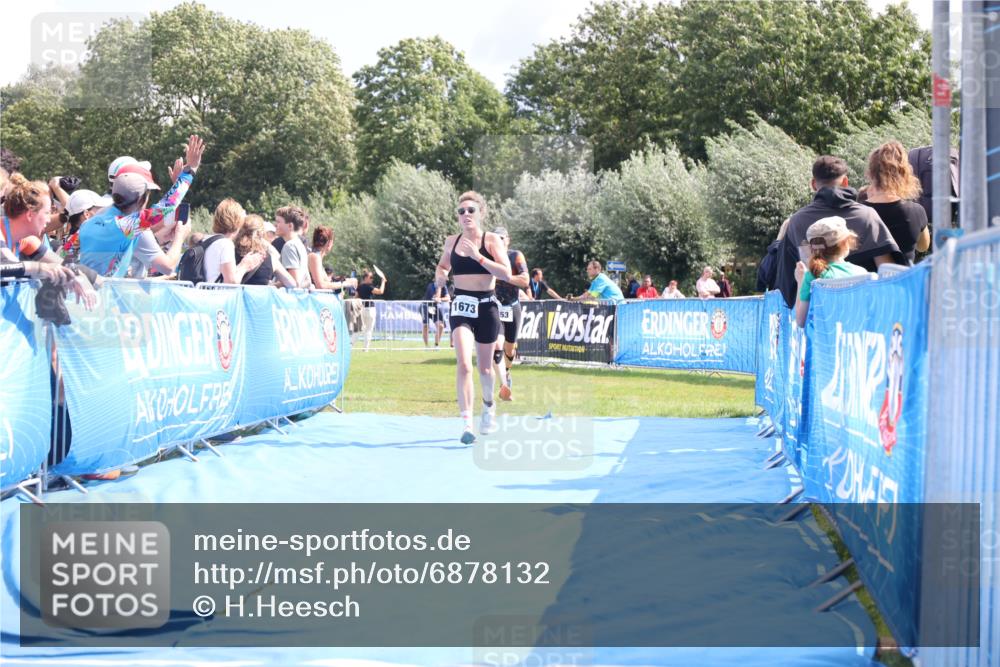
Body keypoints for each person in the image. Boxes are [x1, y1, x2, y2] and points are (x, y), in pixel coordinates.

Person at [434, 191, 512, 443]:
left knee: (486, 368)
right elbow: (443, 265)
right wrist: (440, 276)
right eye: (461, 211)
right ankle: (467, 423)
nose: (466, 215)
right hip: (461, 305)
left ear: (481, 214)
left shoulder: (491, 241)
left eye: (471, 211)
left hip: (486, 306)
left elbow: (506, 273)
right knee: (464, 363)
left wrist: (478, 256)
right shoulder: (451, 241)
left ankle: (489, 406)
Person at [774, 155, 902, 308]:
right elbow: (888, 274)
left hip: (819, 317)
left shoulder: (796, 221)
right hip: (863, 315)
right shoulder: (868, 216)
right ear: (846, 182)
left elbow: (786, 282)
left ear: (814, 184)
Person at [79, 136, 203, 277]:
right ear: (141, 199)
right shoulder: (129, 226)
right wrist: (191, 169)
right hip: (103, 297)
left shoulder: (90, 222)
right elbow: (167, 206)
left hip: (79, 294)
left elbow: (65, 253)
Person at [0, 174, 94, 291]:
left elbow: (63, 263)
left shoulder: (27, 239)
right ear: (30, 214)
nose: (49, 218)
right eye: (46, 213)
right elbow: (6, 264)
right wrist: (42, 268)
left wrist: (87, 279)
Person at [862, 141, 930, 264]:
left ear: (871, 173)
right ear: (905, 174)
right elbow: (923, 247)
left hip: (867, 282)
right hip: (903, 281)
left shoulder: (859, 211)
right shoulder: (916, 211)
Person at [794, 216, 870, 326]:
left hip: (824, 341)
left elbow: (801, 321)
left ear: (812, 248)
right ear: (845, 242)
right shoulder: (862, 273)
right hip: (854, 339)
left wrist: (800, 281)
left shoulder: (813, 275)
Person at [491, 227, 530, 402]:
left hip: (513, 305)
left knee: (510, 347)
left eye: (502, 238)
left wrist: (505, 276)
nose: (499, 241)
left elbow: (525, 280)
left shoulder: (516, 256)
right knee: (497, 344)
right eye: (495, 238)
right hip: (494, 305)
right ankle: (503, 384)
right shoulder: (489, 257)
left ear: (508, 239)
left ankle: (506, 372)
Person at [202, 198, 264, 284]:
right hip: (216, 295)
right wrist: (245, 265)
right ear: (238, 221)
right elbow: (231, 282)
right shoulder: (226, 244)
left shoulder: (207, 239)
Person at [233, 215, 297, 287]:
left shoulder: (231, 253)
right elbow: (292, 284)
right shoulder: (270, 259)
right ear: (262, 234)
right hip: (259, 298)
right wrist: (272, 285)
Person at [307, 226, 358, 292]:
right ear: (329, 243)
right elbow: (320, 285)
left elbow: (328, 282)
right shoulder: (314, 257)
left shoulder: (316, 257)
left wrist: (346, 280)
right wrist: (346, 284)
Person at [275, 205, 311, 287]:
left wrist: (271, 285)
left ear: (290, 226)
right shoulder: (299, 244)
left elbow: (294, 282)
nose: (275, 224)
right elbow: (306, 281)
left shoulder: (289, 246)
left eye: (278, 222)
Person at [356, 267, 387, 351]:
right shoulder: (368, 287)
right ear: (366, 278)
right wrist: (383, 281)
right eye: (371, 277)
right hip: (369, 310)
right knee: (368, 330)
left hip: (362, 309)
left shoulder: (359, 287)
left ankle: (350, 345)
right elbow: (381, 291)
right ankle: (365, 349)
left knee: (359, 329)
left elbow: (356, 297)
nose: (372, 279)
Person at [421, 278, 451, 348]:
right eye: (443, 280)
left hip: (433, 308)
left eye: (445, 280)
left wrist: (440, 299)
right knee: (426, 326)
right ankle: (427, 346)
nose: (445, 281)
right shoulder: (430, 286)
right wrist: (439, 287)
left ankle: (436, 345)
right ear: (436, 280)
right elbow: (435, 298)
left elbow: (447, 298)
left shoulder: (444, 286)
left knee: (441, 326)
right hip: (425, 306)